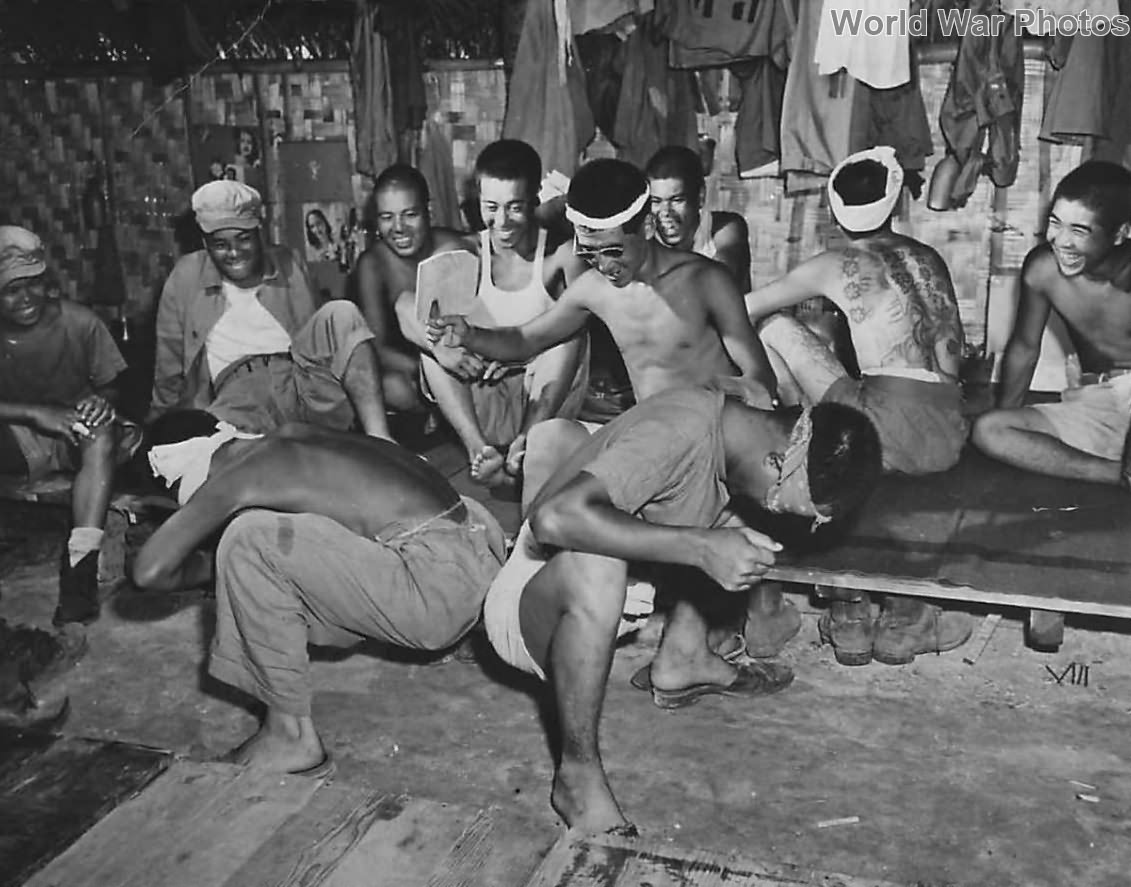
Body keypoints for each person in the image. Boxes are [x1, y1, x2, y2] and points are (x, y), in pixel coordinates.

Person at [480, 385, 882, 834]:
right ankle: (576, 777)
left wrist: (715, 544)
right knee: (601, 560)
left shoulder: (740, 420)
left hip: (614, 593)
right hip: (528, 607)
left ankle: (684, 658)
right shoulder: (677, 431)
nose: (801, 521)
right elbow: (553, 519)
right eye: (799, 507)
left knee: (736, 522)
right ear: (774, 462)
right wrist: (701, 547)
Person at [133, 411, 506, 774]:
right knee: (296, 536)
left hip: (439, 591)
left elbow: (149, 571)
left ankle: (289, 736)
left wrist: (216, 566)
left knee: (250, 541)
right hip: (482, 554)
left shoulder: (238, 473)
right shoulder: (294, 435)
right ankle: (474, 628)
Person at [745, 145, 972, 667]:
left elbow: (743, 308)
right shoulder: (928, 257)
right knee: (833, 343)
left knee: (772, 325)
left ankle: (799, 441)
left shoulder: (833, 263)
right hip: (949, 427)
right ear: (894, 204)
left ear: (836, 207)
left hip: (888, 426)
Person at [150, 180, 392, 439]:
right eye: (220, 244)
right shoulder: (186, 276)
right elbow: (169, 365)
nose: (234, 253)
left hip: (300, 384)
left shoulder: (290, 263)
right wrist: (158, 427)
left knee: (342, 312)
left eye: (244, 239)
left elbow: (322, 343)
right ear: (205, 243)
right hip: (238, 397)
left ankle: (382, 440)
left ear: (260, 232)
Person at [420, 140, 590, 485]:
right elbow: (411, 306)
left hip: (543, 402)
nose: (502, 221)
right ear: (477, 201)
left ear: (533, 202)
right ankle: (478, 449)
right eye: (491, 207)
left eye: (515, 207)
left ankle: (524, 445)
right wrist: (448, 346)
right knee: (430, 346)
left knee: (571, 334)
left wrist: (517, 355)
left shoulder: (560, 255)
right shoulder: (463, 252)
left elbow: (587, 316)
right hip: (484, 396)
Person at [0, 226, 142, 626]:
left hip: (75, 433)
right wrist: (32, 413)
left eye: (33, 284)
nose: (25, 297)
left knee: (101, 434)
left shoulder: (80, 324)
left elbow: (111, 387)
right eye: (11, 290)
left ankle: (80, 569)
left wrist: (101, 402)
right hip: (15, 438)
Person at [973, 161, 1131, 491]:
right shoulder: (1044, 268)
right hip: (1094, 402)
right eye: (1055, 223)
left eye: (1079, 230)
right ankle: (1115, 474)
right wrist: (1009, 415)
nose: (1061, 241)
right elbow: (1025, 348)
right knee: (989, 430)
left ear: (1121, 233)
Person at [352, 164, 479, 418]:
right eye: (387, 217)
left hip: (466, 359)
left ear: (428, 211)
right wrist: (430, 368)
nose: (398, 228)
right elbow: (376, 348)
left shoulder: (455, 245)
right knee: (392, 388)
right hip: (414, 371)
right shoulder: (373, 264)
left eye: (410, 214)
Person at [645, 145, 752, 288]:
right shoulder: (645, 240)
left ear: (700, 197)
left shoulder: (724, 229)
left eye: (676, 200)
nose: (665, 212)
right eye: (656, 201)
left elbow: (720, 280)